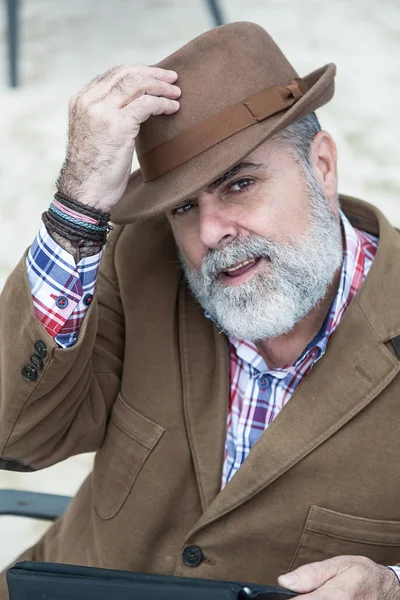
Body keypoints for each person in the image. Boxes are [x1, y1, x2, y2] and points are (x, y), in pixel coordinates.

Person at [1, 20, 400, 600]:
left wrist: (391, 584)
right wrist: (76, 208)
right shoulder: (133, 258)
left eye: (240, 184)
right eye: (184, 206)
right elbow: (16, 436)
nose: (211, 232)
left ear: (322, 165)